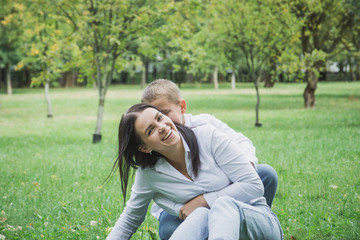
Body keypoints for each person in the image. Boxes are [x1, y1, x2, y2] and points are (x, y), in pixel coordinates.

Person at [106, 103, 283, 240]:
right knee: (200, 215)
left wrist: (202, 201)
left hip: (257, 221)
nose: (162, 126)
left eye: (160, 118)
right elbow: (130, 218)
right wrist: (201, 208)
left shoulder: (208, 136)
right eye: (150, 130)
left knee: (220, 206)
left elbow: (254, 186)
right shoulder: (149, 174)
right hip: (213, 229)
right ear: (144, 147)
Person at [141, 79, 278, 239]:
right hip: (184, 207)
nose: (162, 123)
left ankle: (249, 220)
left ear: (182, 107)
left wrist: (245, 164)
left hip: (225, 188)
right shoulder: (156, 145)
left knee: (266, 174)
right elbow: (139, 204)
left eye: (164, 114)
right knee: (168, 229)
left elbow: (242, 142)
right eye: (153, 119)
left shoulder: (205, 125)